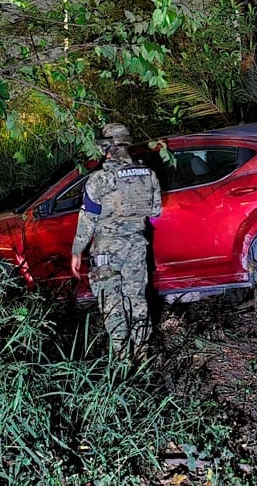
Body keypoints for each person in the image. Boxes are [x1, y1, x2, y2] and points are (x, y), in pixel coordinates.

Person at [71, 123, 162, 357]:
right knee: (137, 299)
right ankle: (142, 353)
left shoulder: (99, 179)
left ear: (106, 149)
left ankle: (122, 358)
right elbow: (155, 211)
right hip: (137, 246)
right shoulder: (148, 174)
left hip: (107, 250)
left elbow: (88, 219)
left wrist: (77, 250)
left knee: (112, 303)